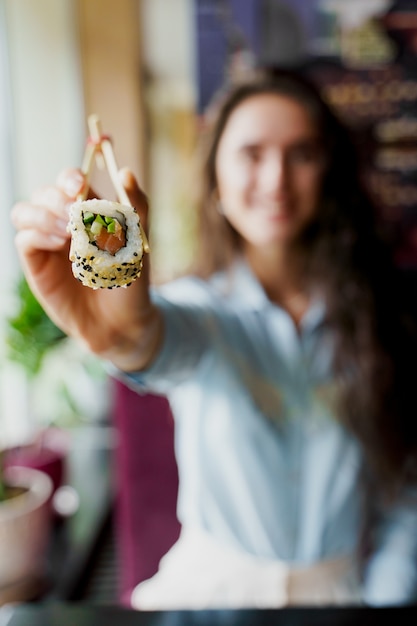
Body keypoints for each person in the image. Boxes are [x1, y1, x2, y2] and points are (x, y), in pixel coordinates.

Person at [11, 67, 417, 608]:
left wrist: (387, 599)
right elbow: (153, 341)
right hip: (207, 597)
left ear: (330, 172)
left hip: (344, 599)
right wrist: (118, 336)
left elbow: (404, 488)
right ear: (216, 177)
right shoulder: (201, 312)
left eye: (301, 153)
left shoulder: (384, 318)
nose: (275, 179)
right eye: (251, 154)